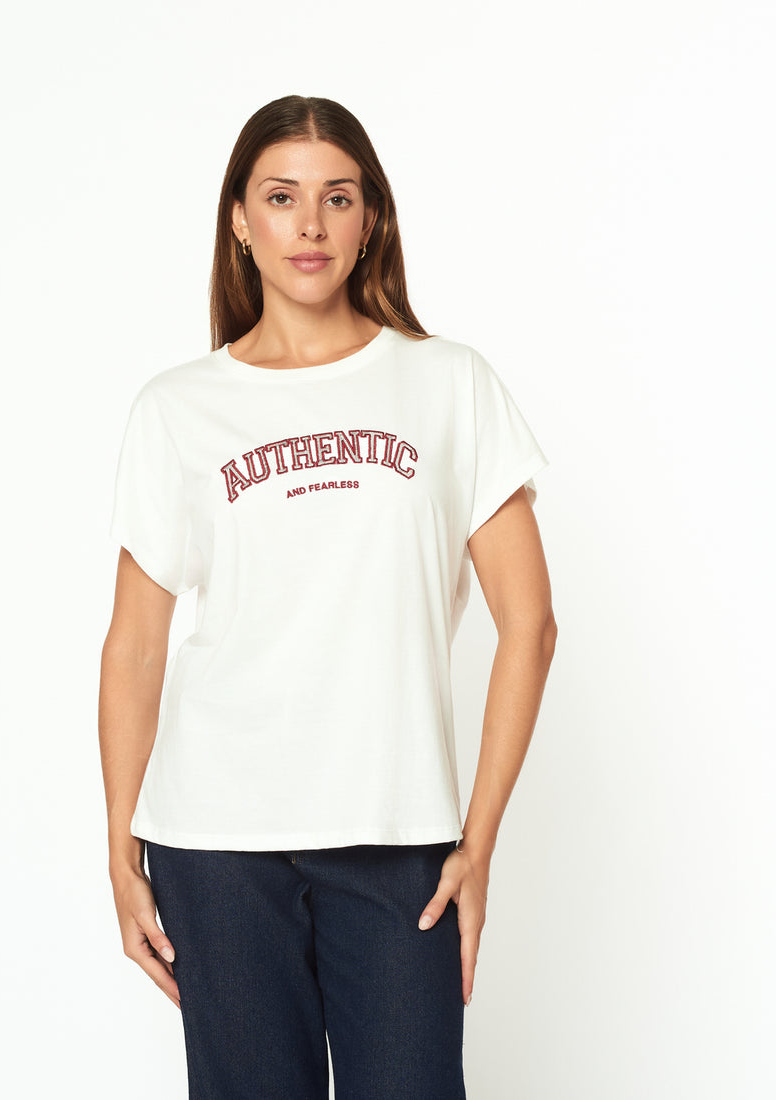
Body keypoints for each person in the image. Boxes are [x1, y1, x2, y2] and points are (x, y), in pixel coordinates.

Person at [98, 94, 557, 1099]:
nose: (309, 225)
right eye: (281, 197)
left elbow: (528, 624)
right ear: (239, 219)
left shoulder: (448, 384)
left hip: (397, 838)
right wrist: (120, 846)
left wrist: (476, 843)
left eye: (336, 197)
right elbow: (135, 644)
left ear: (369, 218)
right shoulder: (177, 409)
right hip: (215, 845)